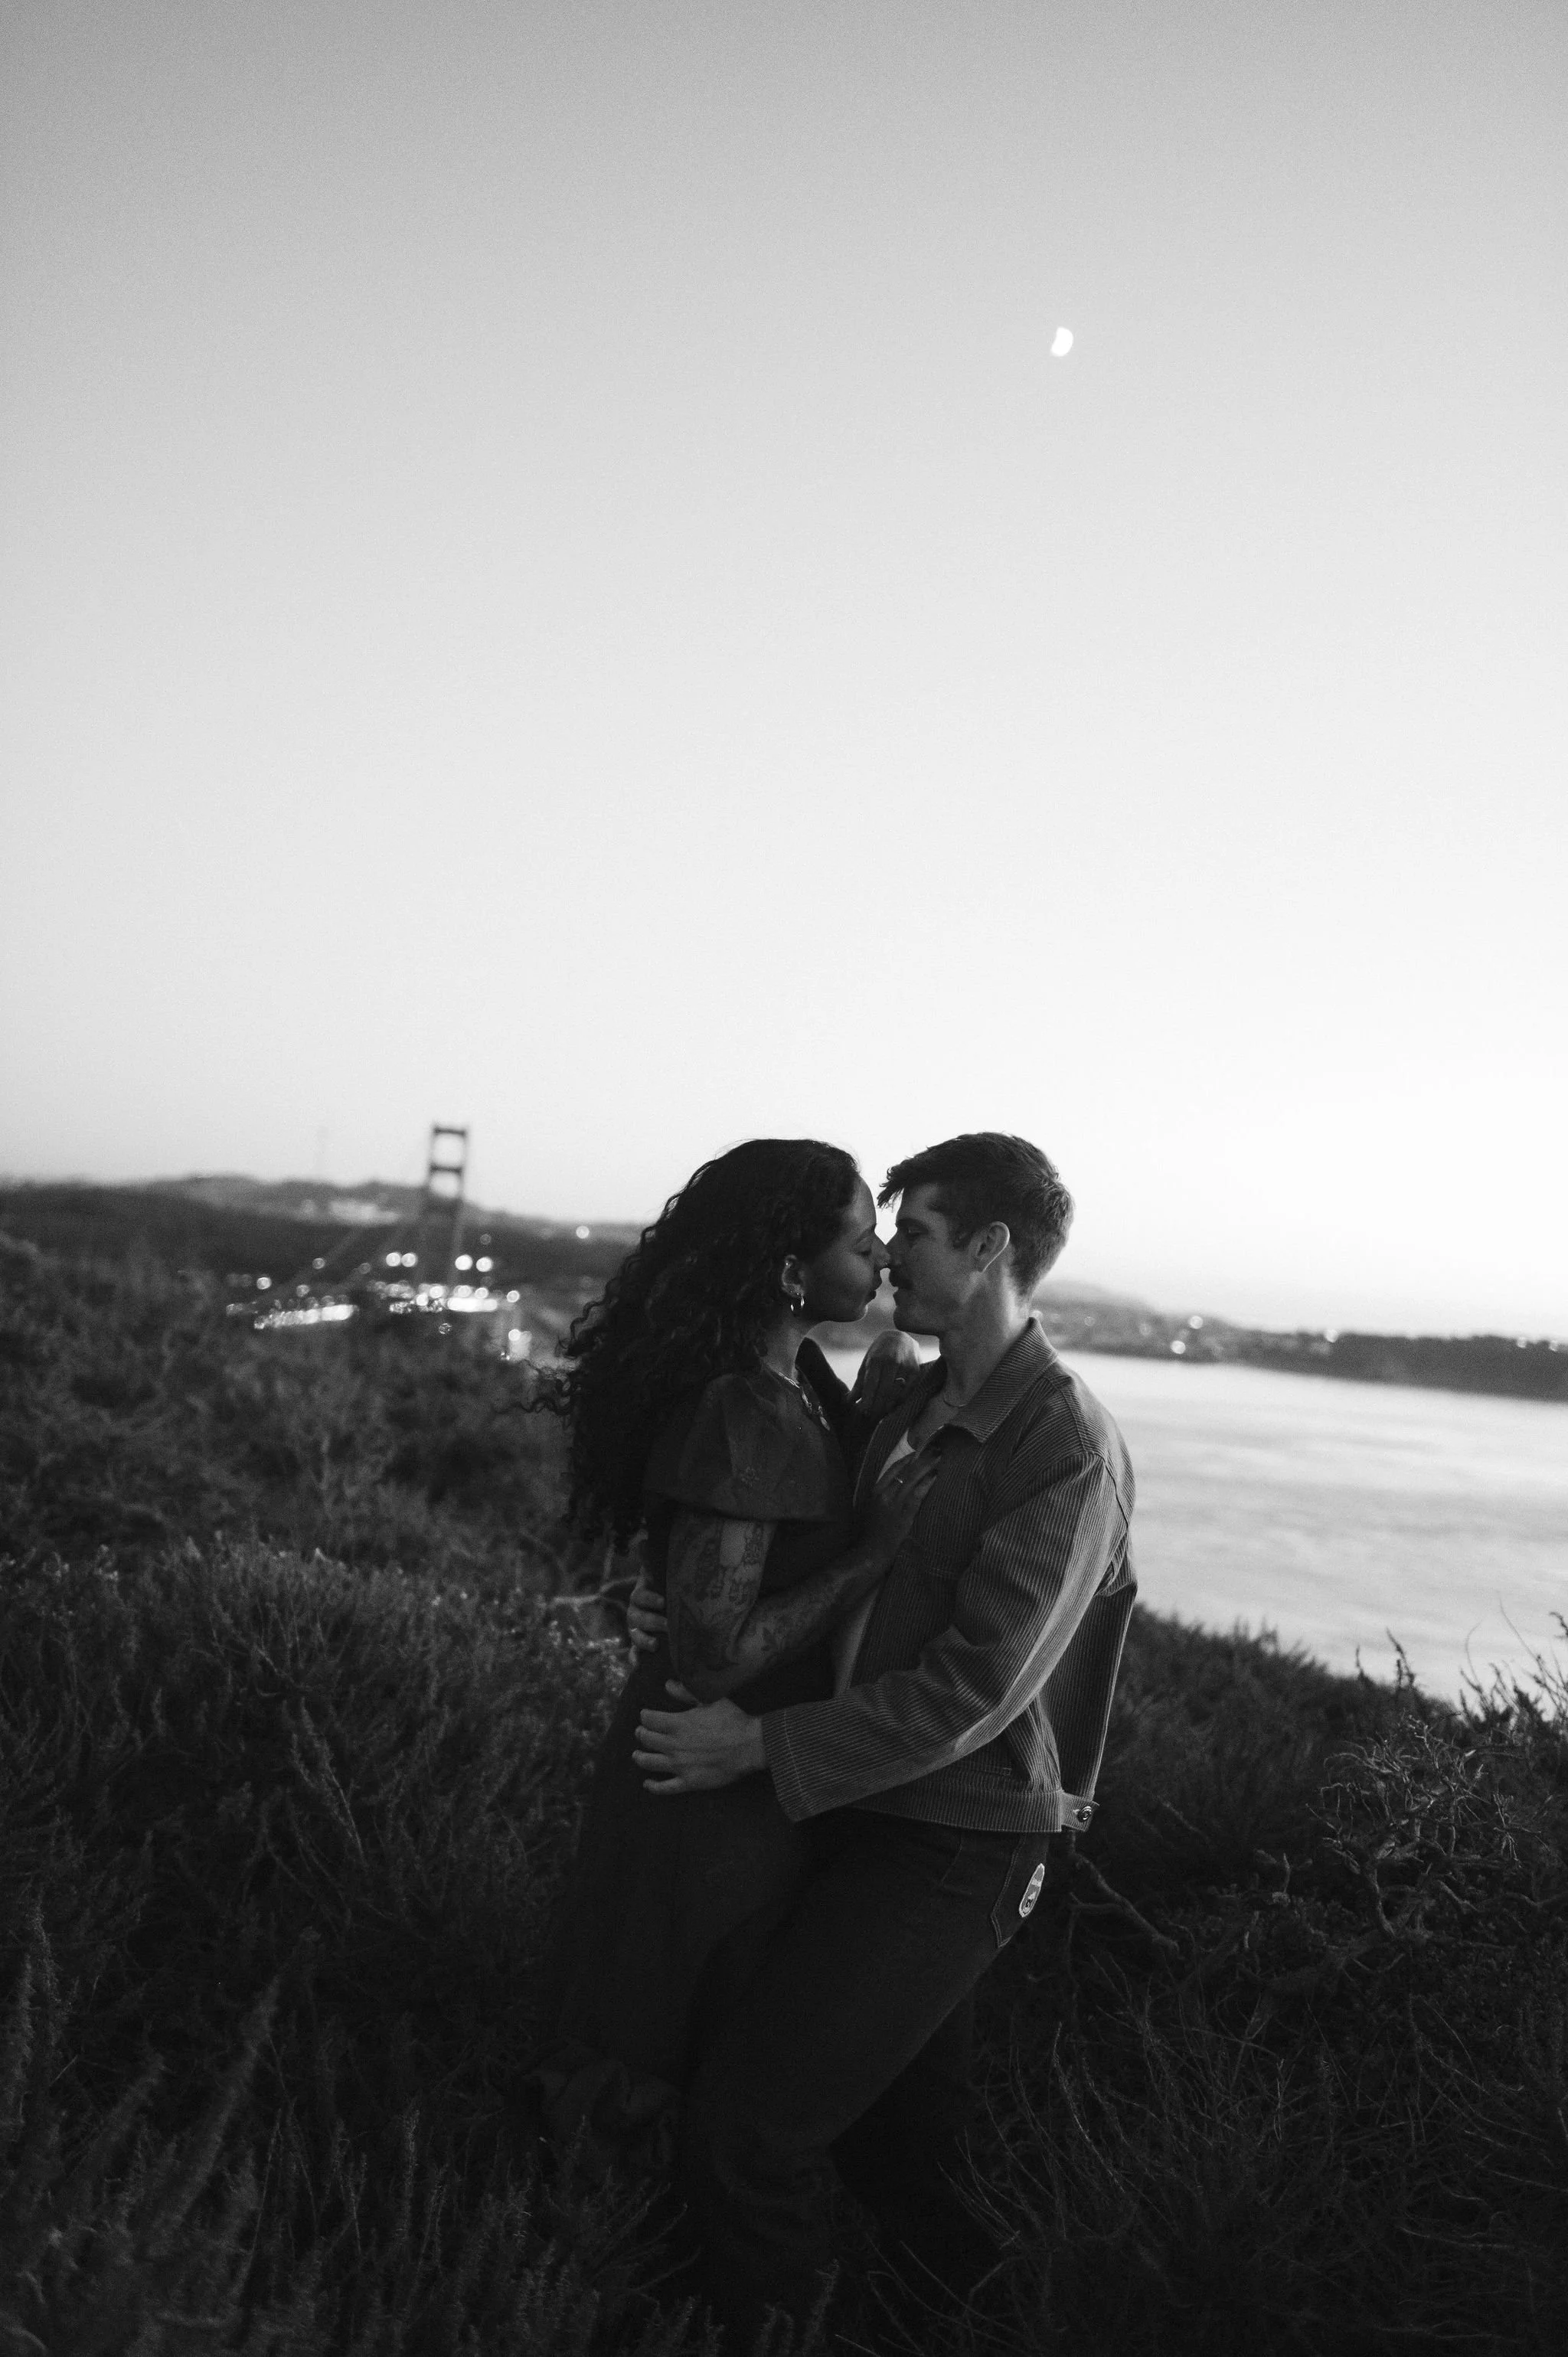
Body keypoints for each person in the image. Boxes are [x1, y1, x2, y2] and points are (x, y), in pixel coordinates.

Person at [631, 1132, 1138, 2346]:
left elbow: (978, 1685)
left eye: (913, 1231)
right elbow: (815, 1563)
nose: (889, 1251)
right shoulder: (903, 1398)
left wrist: (759, 1747)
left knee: (746, 2136)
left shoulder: (1063, 1441)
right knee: (904, 2162)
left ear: (990, 1248)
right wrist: (690, 1604)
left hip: (956, 1838)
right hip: (856, 1812)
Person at [531, 1137, 933, 2183]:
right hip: (697, 1784)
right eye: (861, 1236)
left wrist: (882, 1403)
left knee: (710, 2044)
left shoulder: (792, 1375)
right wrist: (875, 1557)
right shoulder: (742, 1407)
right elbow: (713, 1656)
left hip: (743, 1776)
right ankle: (578, 2281)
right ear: (792, 1270)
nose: (884, 1254)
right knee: (650, 2048)